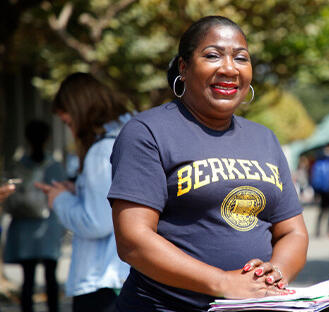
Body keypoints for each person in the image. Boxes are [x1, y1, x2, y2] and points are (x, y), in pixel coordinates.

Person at [107, 16, 309, 312]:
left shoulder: (264, 139)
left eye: (241, 58)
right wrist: (224, 283)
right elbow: (133, 240)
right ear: (184, 68)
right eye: (213, 55)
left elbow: (293, 231)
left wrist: (274, 274)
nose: (229, 68)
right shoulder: (148, 132)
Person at [35, 72, 132, 312]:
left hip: (102, 280)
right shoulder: (130, 135)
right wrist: (79, 189)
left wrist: (60, 200)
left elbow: (97, 222)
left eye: (68, 123)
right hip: (124, 277)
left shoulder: (101, 151)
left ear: (80, 111)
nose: (70, 130)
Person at [3, 120, 66, 312]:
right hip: (48, 227)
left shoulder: (17, 167)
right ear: (48, 138)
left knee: (28, 280)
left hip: (24, 228)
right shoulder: (54, 166)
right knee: (51, 278)